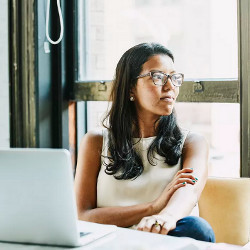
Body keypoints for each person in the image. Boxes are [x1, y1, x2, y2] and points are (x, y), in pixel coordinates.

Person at [74, 42, 215, 242]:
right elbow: (82, 216)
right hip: (111, 244)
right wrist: (153, 207)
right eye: (157, 77)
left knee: (196, 228)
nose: (170, 86)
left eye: (174, 77)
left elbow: (189, 191)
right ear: (131, 86)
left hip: (162, 239)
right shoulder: (96, 141)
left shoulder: (192, 143)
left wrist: (166, 216)